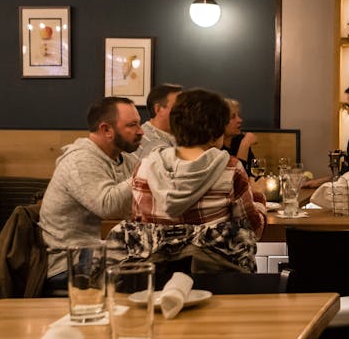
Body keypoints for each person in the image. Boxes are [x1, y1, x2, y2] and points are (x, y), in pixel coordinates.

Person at [133, 88, 266, 235]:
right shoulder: (230, 169)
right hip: (212, 257)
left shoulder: (144, 168)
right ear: (214, 134)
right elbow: (252, 231)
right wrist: (258, 197)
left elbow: (137, 228)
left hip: (157, 257)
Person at [40, 97, 143, 285]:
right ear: (106, 129)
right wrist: (147, 171)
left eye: (139, 124)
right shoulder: (80, 161)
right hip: (73, 260)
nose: (140, 131)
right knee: (152, 270)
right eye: (132, 125)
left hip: (108, 249)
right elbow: (108, 207)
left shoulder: (125, 160)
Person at [136, 83, 182, 160]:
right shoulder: (153, 145)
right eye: (178, 107)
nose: (183, 111)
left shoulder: (172, 135)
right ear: (158, 109)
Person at [223, 97, 257, 175]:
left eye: (238, 115)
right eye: (233, 117)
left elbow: (255, 174)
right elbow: (236, 179)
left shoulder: (239, 140)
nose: (240, 120)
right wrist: (245, 144)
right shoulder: (214, 149)